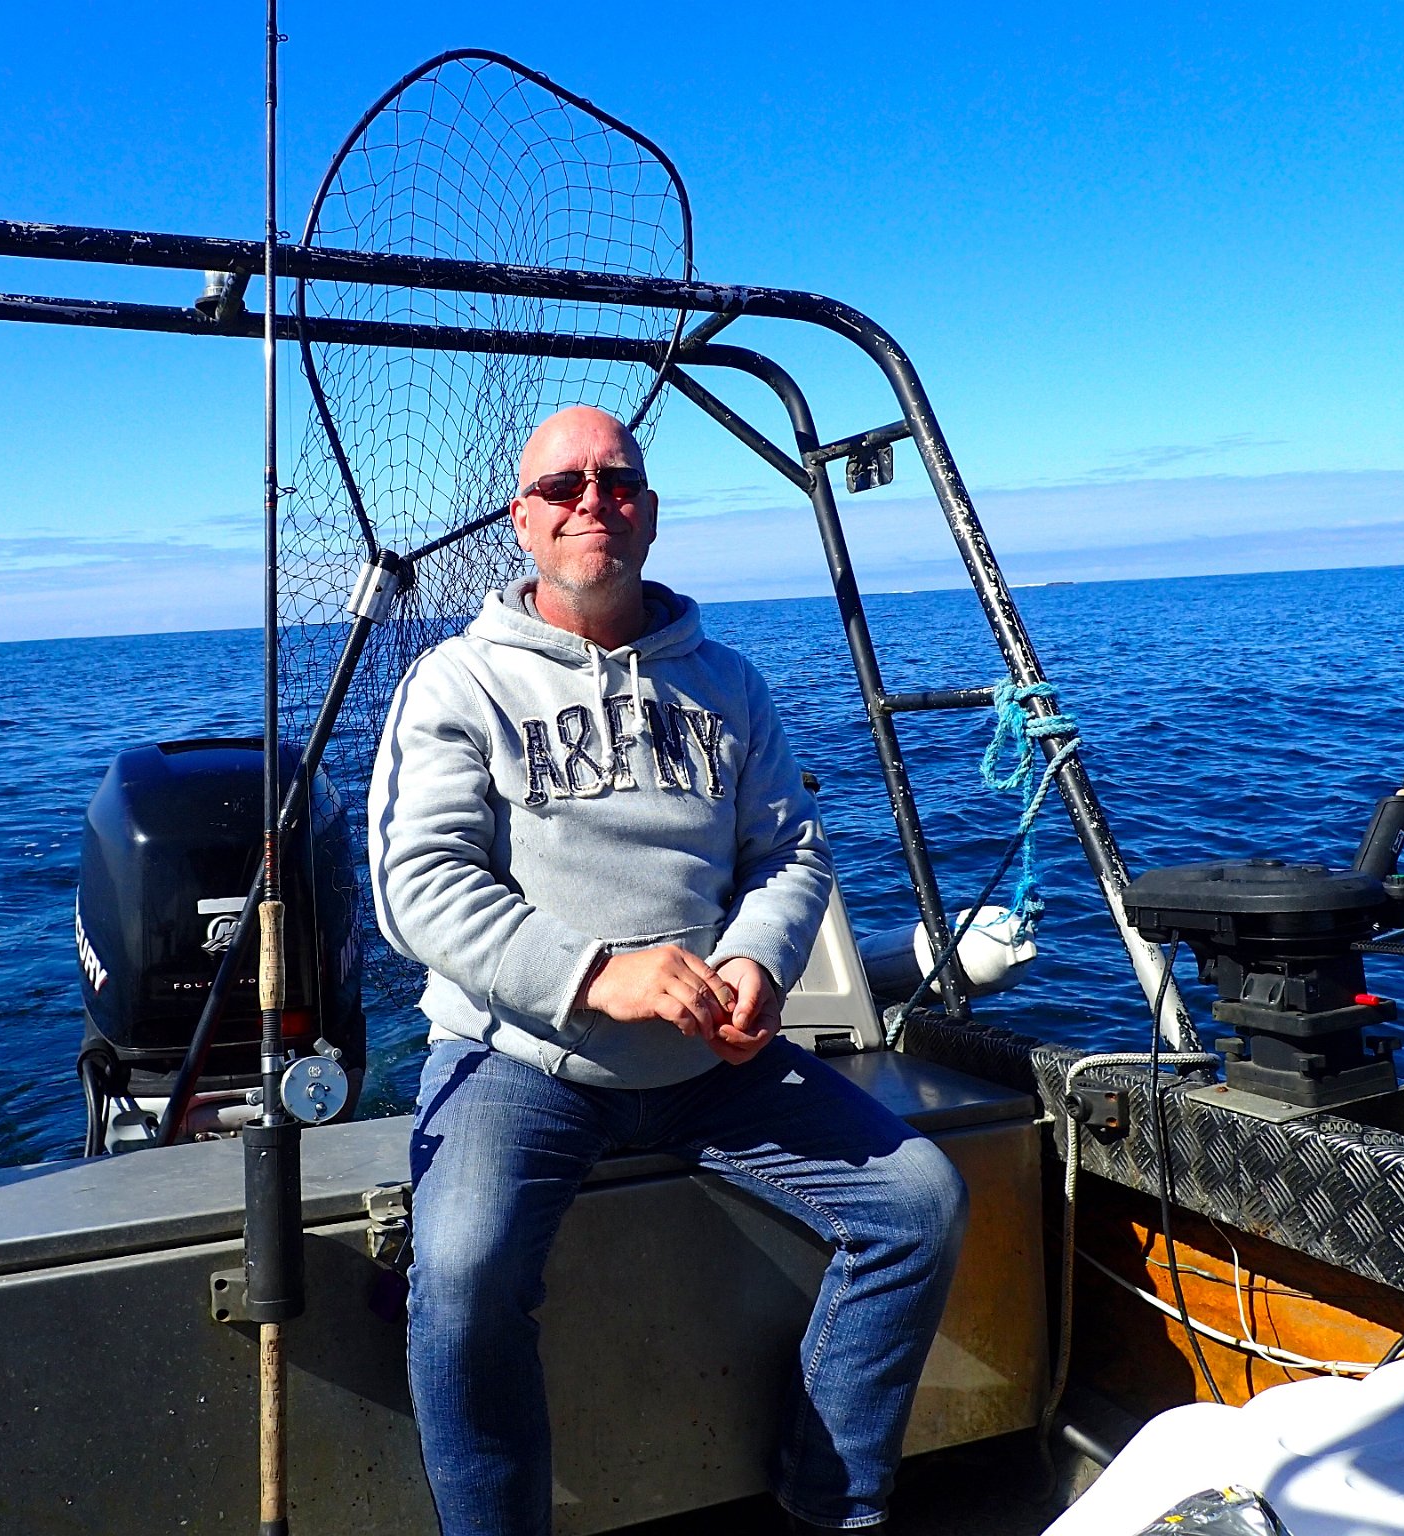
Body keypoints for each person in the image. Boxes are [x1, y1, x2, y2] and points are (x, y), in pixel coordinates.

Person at [368, 405, 970, 1534]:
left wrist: (755, 962)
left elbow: (788, 852)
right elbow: (418, 887)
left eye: (616, 482)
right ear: (522, 520)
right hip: (521, 1061)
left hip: (709, 1067)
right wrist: (596, 975)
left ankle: (829, 1507)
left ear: (648, 511)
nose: (590, 502)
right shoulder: (455, 683)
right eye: (562, 487)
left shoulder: (728, 682)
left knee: (918, 1206)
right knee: (461, 1276)